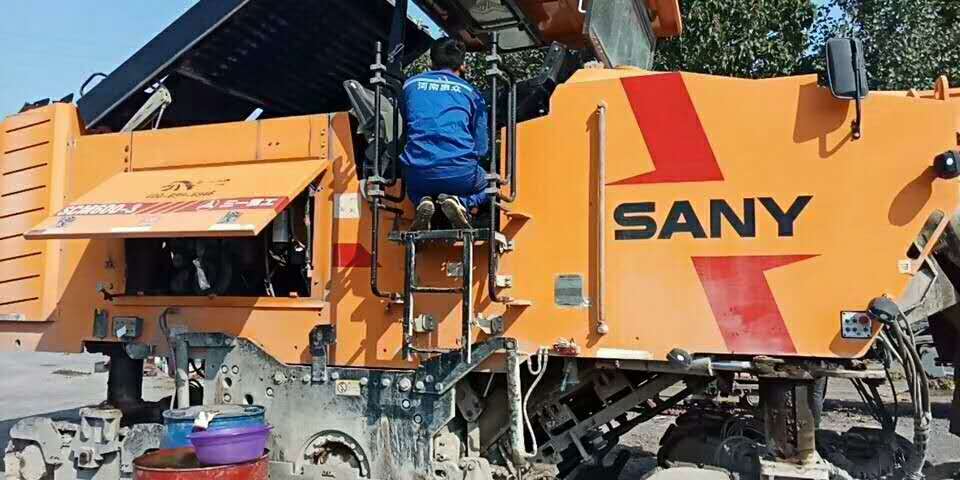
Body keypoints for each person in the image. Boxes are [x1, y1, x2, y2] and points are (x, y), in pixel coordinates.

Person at [401, 38, 489, 230]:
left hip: (418, 174)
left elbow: (405, 125)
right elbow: (482, 148)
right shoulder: (473, 93)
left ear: (430, 62)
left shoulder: (410, 85)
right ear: (463, 65)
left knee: (413, 187)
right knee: (492, 185)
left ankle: (422, 201)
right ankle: (462, 203)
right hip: (461, 175)